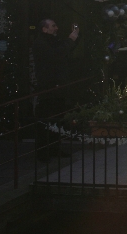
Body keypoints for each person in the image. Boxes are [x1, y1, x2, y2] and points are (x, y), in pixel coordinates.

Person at [32, 19, 79, 160]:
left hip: (57, 86)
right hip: (48, 87)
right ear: (44, 29)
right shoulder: (41, 43)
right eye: (53, 26)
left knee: (57, 119)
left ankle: (54, 149)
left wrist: (74, 37)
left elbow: (62, 51)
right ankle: (43, 152)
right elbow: (55, 55)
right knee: (47, 119)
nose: (56, 28)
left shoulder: (53, 41)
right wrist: (70, 40)